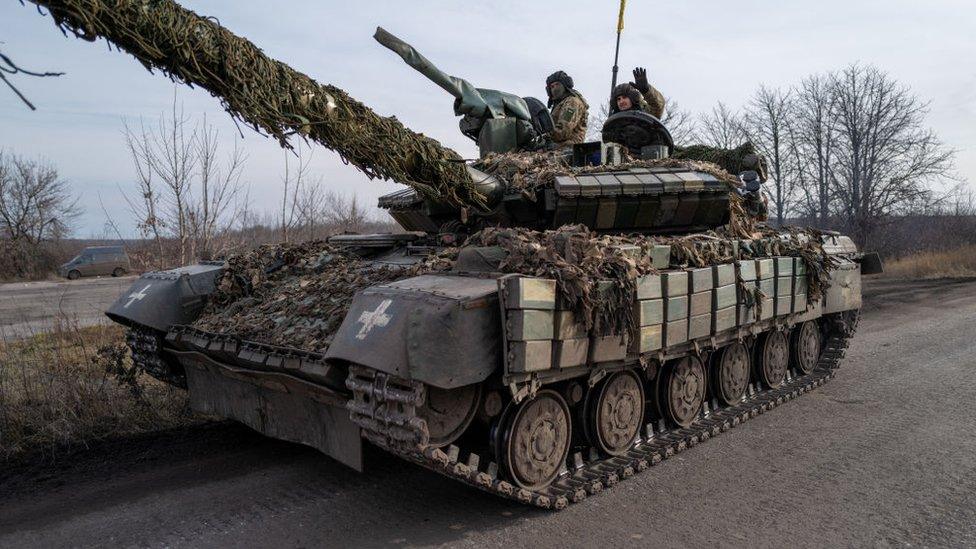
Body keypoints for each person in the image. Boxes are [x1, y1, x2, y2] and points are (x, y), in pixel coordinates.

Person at [546, 70, 589, 146]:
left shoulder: (572, 102)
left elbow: (563, 131)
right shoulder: (559, 105)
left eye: (557, 84)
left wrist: (543, 136)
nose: (555, 89)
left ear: (564, 85)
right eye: (552, 87)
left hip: (569, 147)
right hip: (557, 145)